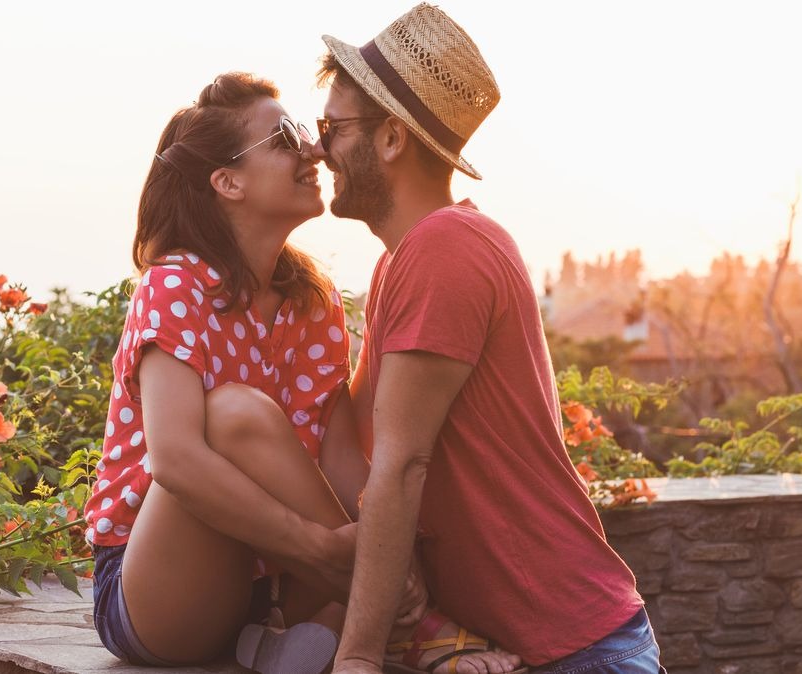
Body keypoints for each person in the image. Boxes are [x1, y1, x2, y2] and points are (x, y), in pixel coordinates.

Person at [83, 72, 522, 674]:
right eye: (285, 137)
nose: (312, 149)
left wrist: (387, 558)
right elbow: (175, 460)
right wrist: (325, 552)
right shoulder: (175, 284)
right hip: (155, 589)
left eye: (308, 134)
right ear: (227, 181)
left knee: (364, 530)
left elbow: (342, 460)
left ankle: (294, 638)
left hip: (266, 583)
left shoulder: (310, 301)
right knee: (236, 416)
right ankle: (402, 624)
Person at [312, 4, 666, 674]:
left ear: (390, 139)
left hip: (572, 649)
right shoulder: (402, 261)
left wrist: (357, 659)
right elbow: (350, 439)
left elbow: (400, 465)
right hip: (522, 645)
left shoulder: (446, 249)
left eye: (333, 127)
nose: (318, 146)